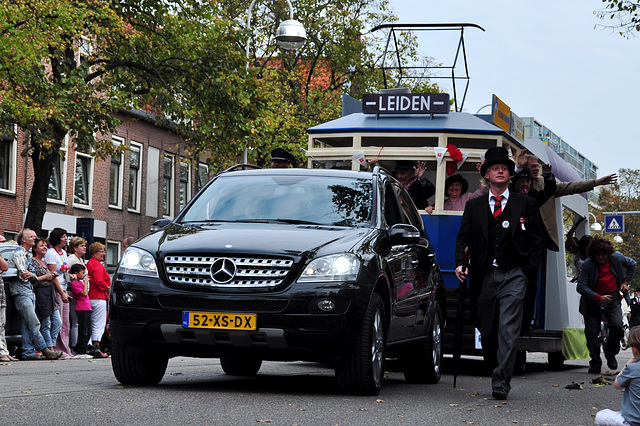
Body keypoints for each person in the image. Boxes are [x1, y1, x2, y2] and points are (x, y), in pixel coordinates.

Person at [455, 146, 544, 400]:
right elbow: (463, 238)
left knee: (509, 329)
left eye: (505, 168)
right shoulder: (474, 206)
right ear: (487, 174)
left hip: (515, 275)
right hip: (484, 276)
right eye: (496, 168)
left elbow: (536, 242)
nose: (501, 171)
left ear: (510, 174)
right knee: (488, 329)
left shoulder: (525, 204)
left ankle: (501, 381)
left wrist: (527, 271)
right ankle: (494, 366)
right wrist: (460, 263)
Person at [517, 151, 617, 251]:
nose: (537, 169)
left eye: (537, 166)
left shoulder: (544, 182)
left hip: (540, 240)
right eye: (533, 166)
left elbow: (570, 187)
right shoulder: (515, 183)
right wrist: (519, 167)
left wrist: (595, 182)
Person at [577, 237, 637, 374]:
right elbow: (580, 286)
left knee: (616, 326)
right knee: (591, 334)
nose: (601, 257)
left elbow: (633, 264)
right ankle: (595, 362)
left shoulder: (617, 258)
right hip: (593, 302)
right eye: (597, 254)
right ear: (593, 254)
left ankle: (610, 353)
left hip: (613, 299)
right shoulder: (588, 264)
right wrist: (598, 297)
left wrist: (625, 282)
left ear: (608, 253)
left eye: (603, 254)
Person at [8, 228, 61, 360]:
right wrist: (34, 276)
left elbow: (30, 275)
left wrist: (33, 276)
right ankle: (45, 349)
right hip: (22, 292)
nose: (34, 237)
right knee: (34, 322)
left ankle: (28, 351)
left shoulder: (25, 254)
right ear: (23, 239)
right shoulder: (19, 253)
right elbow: (23, 275)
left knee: (26, 324)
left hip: (29, 292)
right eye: (31, 236)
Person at [595, 326, 640, 425]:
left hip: (631, 421)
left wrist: (628, 364)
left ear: (633, 350)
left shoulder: (632, 368)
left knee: (600, 416)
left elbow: (617, 385)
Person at [44, 227, 73, 359]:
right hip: (57, 290)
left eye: (66, 236)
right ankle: (57, 348)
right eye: (62, 236)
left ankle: (66, 348)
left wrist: (70, 277)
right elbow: (53, 275)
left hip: (64, 289)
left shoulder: (63, 253)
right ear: (56, 238)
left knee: (66, 322)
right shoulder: (51, 253)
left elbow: (64, 272)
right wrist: (61, 293)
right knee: (58, 321)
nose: (65, 239)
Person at [31, 237, 62, 352]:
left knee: (58, 322)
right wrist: (47, 277)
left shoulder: (44, 262)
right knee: (46, 322)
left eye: (45, 245)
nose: (44, 247)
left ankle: (52, 344)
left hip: (50, 294)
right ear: (35, 248)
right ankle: (49, 347)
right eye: (41, 245)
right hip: (41, 293)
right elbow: (33, 279)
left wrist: (52, 275)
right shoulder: (32, 261)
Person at [86, 242, 110, 358]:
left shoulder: (89, 263)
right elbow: (99, 281)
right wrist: (109, 288)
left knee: (90, 323)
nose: (104, 254)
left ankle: (90, 345)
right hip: (99, 296)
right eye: (101, 251)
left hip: (90, 297)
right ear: (95, 253)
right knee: (99, 324)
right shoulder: (97, 265)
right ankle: (96, 347)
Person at [66, 236, 87, 352]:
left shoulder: (80, 260)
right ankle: (74, 345)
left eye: (85, 245)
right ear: (75, 248)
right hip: (75, 293)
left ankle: (79, 344)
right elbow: (64, 271)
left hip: (82, 294)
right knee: (75, 321)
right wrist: (71, 278)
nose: (84, 248)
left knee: (78, 322)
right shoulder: (71, 259)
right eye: (81, 246)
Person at [68, 263, 93, 359]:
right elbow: (84, 293)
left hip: (87, 308)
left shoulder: (79, 283)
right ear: (76, 273)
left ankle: (82, 348)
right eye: (82, 273)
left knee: (88, 331)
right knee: (83, 330)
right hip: (81, 308)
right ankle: (81, 350)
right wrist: (85, 282)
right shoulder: (75, 284)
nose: (84, 275)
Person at [0, 248, 18, 362]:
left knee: (2, 325)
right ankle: (2, 352)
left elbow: (5, 267)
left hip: (1, 295)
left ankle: (4, 351)